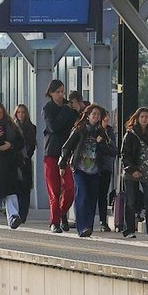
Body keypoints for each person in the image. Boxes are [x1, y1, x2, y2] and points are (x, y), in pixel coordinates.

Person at [59, 105, 116, 238]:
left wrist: (101, 142)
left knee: (91, 198)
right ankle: (82, 227)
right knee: (82, 195)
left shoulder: (102, 132)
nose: (96, 117)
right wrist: (62, 164)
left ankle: (88, 226)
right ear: (88, 115)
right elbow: (67, 147)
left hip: (95, 170)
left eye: (98, 115)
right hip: (80, 169)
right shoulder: (80, 129)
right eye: (93, 114)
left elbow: (112, 151)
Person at [120, 107, 148, 238]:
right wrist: (132, 170)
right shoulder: (131, 134)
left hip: (147, 173)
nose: (144, 119)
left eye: (146, 117)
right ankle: (129, 230)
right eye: (142, 117)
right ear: (137, 119)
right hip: (132, 174)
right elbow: (125, 155)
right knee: (131, 201)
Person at [42, 80, 79, 233]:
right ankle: (55, 222)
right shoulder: (48, 108)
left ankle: (61, 213)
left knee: (70, 188)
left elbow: (76, 125)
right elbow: (53, 127)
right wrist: (65, 111)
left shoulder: (69, 107)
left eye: (62, 91)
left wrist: (76, 109)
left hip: (67, 153)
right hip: (52, 152)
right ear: (51, 93)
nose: (60, 94)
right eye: (57, 92)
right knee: (54, 190)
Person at [13, 104, 36, 223]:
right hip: (15, 160)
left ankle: (23, 214)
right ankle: (16, 213)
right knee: (16, 187)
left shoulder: (31, 127)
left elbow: (32, 145)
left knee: (26, 188)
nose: (21, 114)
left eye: (23, 112)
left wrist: (27, 155)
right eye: (18, 112)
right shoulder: (12, 127)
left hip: (26, 160)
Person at [97, 111, 118, 231]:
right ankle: (87, 221)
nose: (106, 122)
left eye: (107, 120)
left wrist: (103, 142)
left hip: (106, 167)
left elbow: (113, 150)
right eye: (104, 120)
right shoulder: (93, 130)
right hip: (93, 167)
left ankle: (103, 221)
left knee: (103, 195)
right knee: (90, 194)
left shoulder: (109, 132)